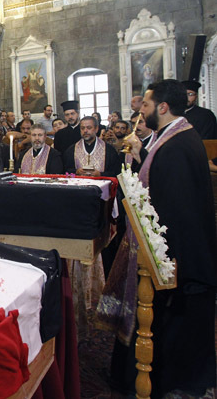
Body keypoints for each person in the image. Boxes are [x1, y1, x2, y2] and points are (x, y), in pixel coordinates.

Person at [100, 79, 217, 397]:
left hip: (176, 262)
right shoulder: (175, 136)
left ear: (162, 108)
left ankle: (163, 382)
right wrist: (143, 154)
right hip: (175, 254)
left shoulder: (178, 145)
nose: (142, 111)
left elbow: (174, 208)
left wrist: (165, 265)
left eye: (147, 106)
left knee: (171, 330)